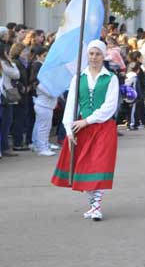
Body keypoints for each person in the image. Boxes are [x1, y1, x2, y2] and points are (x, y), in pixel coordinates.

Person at [51, 40, 119, 221]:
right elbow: (71, 104)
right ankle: (93, 205)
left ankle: (96, 207)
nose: (94, 57)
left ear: (104, 56)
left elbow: (109, 106)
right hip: (82, 129)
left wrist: (87, 120)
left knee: (99, 166)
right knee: (84, 168)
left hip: (103, 127)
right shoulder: (78, 78)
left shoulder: (111, 78)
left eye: (98, 54)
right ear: (87, 55)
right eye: (91, 54)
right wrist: (68, 129)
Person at [0, 42, 20, 157]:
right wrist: (11, 62)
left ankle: (0, 147)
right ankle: (4, 147)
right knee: (6, 122)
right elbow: (16, 74)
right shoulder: (3, 63)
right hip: (6, 94)